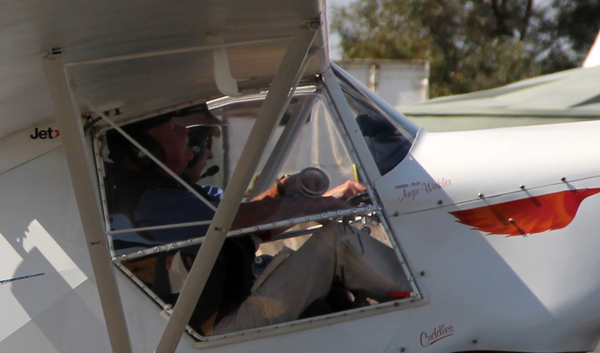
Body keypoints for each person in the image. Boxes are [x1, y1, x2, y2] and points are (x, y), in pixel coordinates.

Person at [110, 107, 408, 334]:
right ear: (144, 151)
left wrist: (299, 194)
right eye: (174, 129)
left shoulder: (182, 196)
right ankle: (417, 292)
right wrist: (307, 204)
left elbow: (253, 224)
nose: (184, 135)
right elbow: (236, 219)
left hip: (221, 315)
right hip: (213, 330)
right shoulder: (154, 203)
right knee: (337, 241)